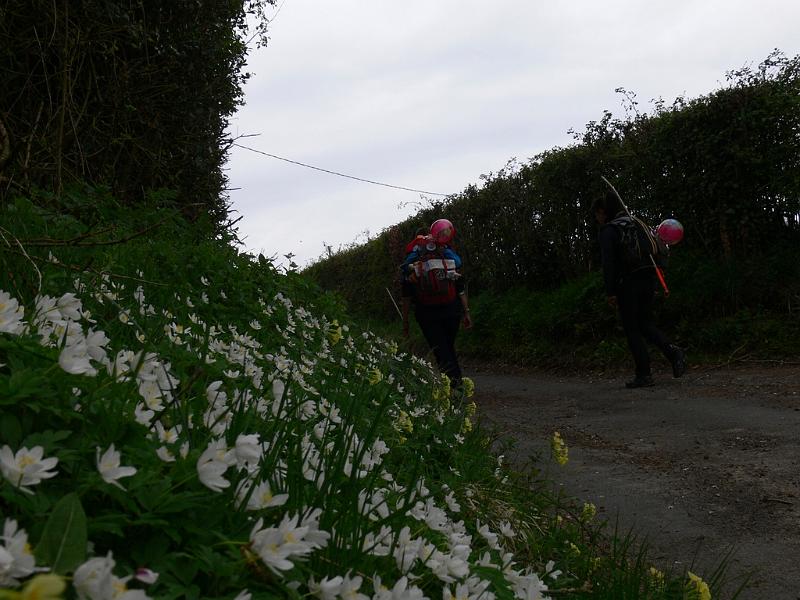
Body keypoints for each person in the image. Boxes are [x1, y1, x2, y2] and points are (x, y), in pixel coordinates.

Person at [592, 191, 686, 388]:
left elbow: (609, 263)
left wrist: (610, 291)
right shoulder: (637, 223)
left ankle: (644, 374)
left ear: (603, 211)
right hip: (650, 277)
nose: (598, 219)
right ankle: (673, 352)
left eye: (597, 215)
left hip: (628, 282)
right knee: (645, 323)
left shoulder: (609, 230)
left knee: (632, 328)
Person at [400, 219, 472, 387]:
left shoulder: (415, 261)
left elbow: (406, 296)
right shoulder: (446, 254)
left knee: (441, 350)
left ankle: (454, 388)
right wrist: (466, 312)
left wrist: (405, 323)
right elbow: (459, 286)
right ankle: (456, 385)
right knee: (448, 347)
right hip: (451, 309)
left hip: (427, 313)